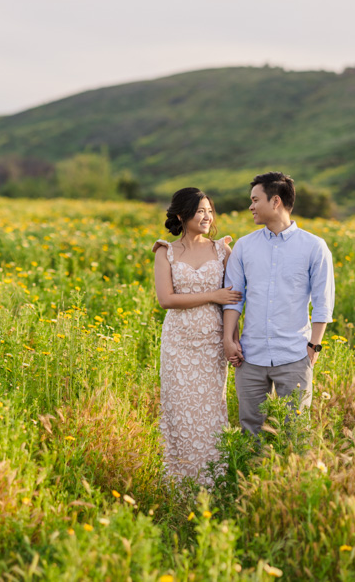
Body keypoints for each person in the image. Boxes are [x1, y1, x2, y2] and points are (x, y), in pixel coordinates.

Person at [222, 172, 335, 435]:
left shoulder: (314, 247)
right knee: (251, 429)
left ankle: (293, 477)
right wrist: (229, 338)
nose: (250, 207)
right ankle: (251, 477)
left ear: (275, 202)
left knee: (294, 432)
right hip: (249, 356)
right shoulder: (244, 246)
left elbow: (323, 302)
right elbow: (233, 298)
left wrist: (314, 347)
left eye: (255, 200)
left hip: (295, 354)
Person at [151, 188, 239, 487]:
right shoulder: (167, 251)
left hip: (212, 342)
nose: (207, 216)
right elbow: (166, 299)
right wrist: (212, 294)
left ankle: (214, 484)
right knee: (178, 411)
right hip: (178, 343)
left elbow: (233, 301)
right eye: (200, 211)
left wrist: (233, 338)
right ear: (181, 215)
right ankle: (179, 484)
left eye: (209, 211)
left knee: (212, 410)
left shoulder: (222, 250)